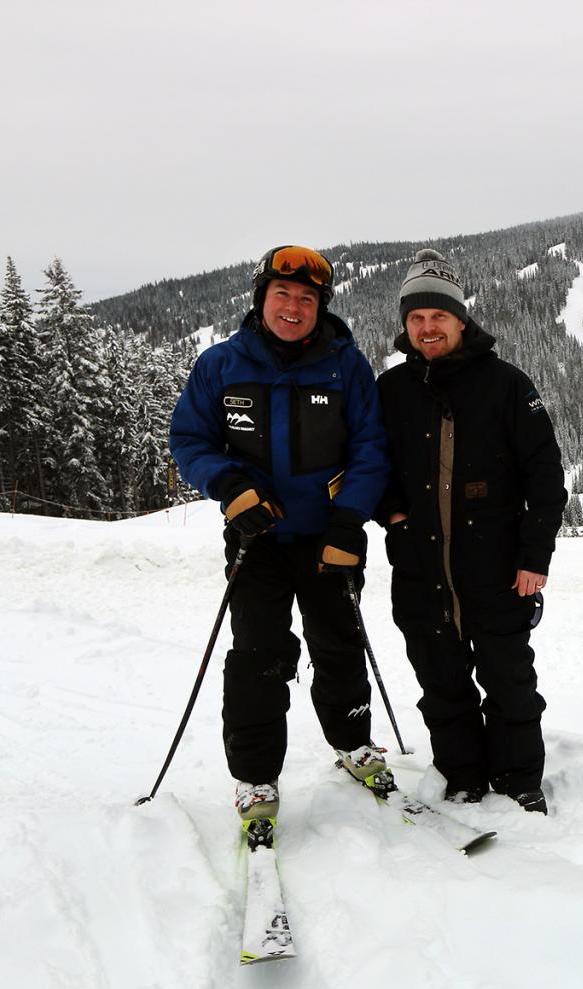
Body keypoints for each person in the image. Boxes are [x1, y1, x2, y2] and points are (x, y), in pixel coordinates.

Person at [169, 245, 390, 823]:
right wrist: (229, 487)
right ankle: (255, 778)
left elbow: (371, 449)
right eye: (282, 294)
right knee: (258, 656)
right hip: (256, 540)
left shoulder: (346, 366)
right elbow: (190, 441)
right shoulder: (221, 365)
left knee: (340, 645)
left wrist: (349, 522)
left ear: (321, 307)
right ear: (261, 299)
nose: (294, 307)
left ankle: (352, 744)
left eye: (307, 298)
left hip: (330, 539)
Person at [376, 248, 567, 814]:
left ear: (461, 320)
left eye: (438, 317)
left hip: (499, 568)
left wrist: (535, 558)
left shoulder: (506, 384)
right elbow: (366, 464)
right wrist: (393, 515)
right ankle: (462, 775)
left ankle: (519, 778)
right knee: (442, 682)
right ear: (405, 326)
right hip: (421, 568)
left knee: (509, 681)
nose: (427, 328)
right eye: (416, 319)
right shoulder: (391, 391)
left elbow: (545, 475)